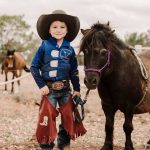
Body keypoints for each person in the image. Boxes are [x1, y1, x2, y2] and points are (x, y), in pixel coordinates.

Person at [30, 10, 86, 150]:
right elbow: (34, 67)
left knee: (68, 116)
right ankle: (46, 144)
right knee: (47, 116)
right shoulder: (44, 45)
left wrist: (77, 89)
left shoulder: (70, 49)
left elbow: (74, 72)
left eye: (62, 27)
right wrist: (41, 85)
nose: (58, 30)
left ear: (67, 30)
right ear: (49, 30)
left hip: (66, 90)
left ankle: (64, 143)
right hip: (49, 90)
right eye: (54, 27)